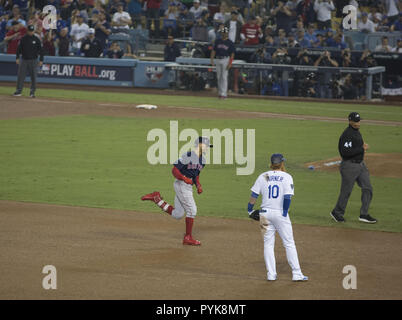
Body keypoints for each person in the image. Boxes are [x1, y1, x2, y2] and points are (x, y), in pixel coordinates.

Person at [141, 137, 213, 246]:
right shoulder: (188, 156)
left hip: (188, 187)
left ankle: (157, 199)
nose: (207, 148)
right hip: (181, 185)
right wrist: (184, 178)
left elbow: (196, 175)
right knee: (192, 210)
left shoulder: (203, 160)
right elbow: (174, 170)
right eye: (206, 145)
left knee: (178, 214)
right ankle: (188, 237)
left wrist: (198, 185)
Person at [247, 153, 308, 282]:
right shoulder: (287, 177)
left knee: (268, 244)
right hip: (280, 214)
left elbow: (254, 195)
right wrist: (285, 212)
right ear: (282, 163)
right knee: (289, 243)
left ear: (271, 164)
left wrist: (249, 210)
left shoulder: (263, 176)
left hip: (264, 214)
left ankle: (271, 274)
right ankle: (296, 273)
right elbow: (287, 197)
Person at [330, 112, 377, 224]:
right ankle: (337, 212)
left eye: (359, 121)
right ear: (350, 121)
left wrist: (361, 148)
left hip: (360, 165)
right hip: (349, 166)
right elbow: (345, 153)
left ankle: (364, 214)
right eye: (356, 121)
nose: (358, 123)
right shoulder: (347, 134)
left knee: (368, 188)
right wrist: (362, 148)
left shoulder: (356, 132)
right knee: (346, 191)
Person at [13, 25, 43, 98]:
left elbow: (41, 50)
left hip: (34, 60)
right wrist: (17, 58)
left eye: (32, 31)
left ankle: (32, 92)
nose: (31, 32)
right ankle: (18, 91)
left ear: (34, 31)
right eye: (30, 31)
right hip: (24, 60)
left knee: (34, 77)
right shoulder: (23, 39)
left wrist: (41, 60)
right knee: (21, 76)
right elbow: (18, 49)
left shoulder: (36, 39)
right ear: (27, 31)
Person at [210, 27, 235, 99]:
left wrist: (230, 63)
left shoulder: (230, 42)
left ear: (227, 33)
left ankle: (224, 94)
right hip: (218, 59)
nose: (223, 34)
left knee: (224, 77)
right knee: (219, 77)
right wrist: (212, 60)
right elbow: (213, 51)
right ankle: (220, 93)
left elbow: (232, 54)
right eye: (222, 32)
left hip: (225, 59)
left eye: (224, 32)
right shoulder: (217, 41)